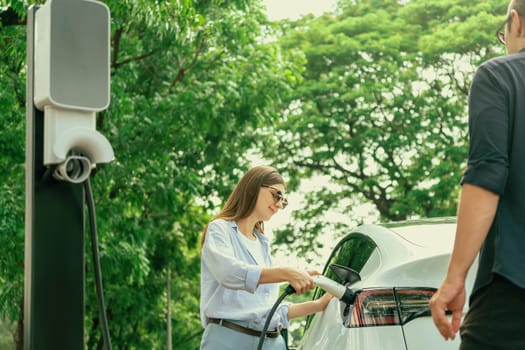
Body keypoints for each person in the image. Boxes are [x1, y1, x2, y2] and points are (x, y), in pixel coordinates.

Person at [429, 1, 525, 349]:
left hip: (512, 293)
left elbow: (488, 175)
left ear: (515, 23)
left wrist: (455, 279)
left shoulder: (500, 76)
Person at [199, 165, 333, 350]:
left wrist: (319, 304)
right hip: (229, 339)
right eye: (276, 195)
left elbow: (269, 311)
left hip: (272, 342)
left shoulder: (262, 243)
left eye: (283, 201)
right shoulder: (220, 229)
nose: (279, 204)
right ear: (253, 187)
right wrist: (286, 273)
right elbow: (228, 273)